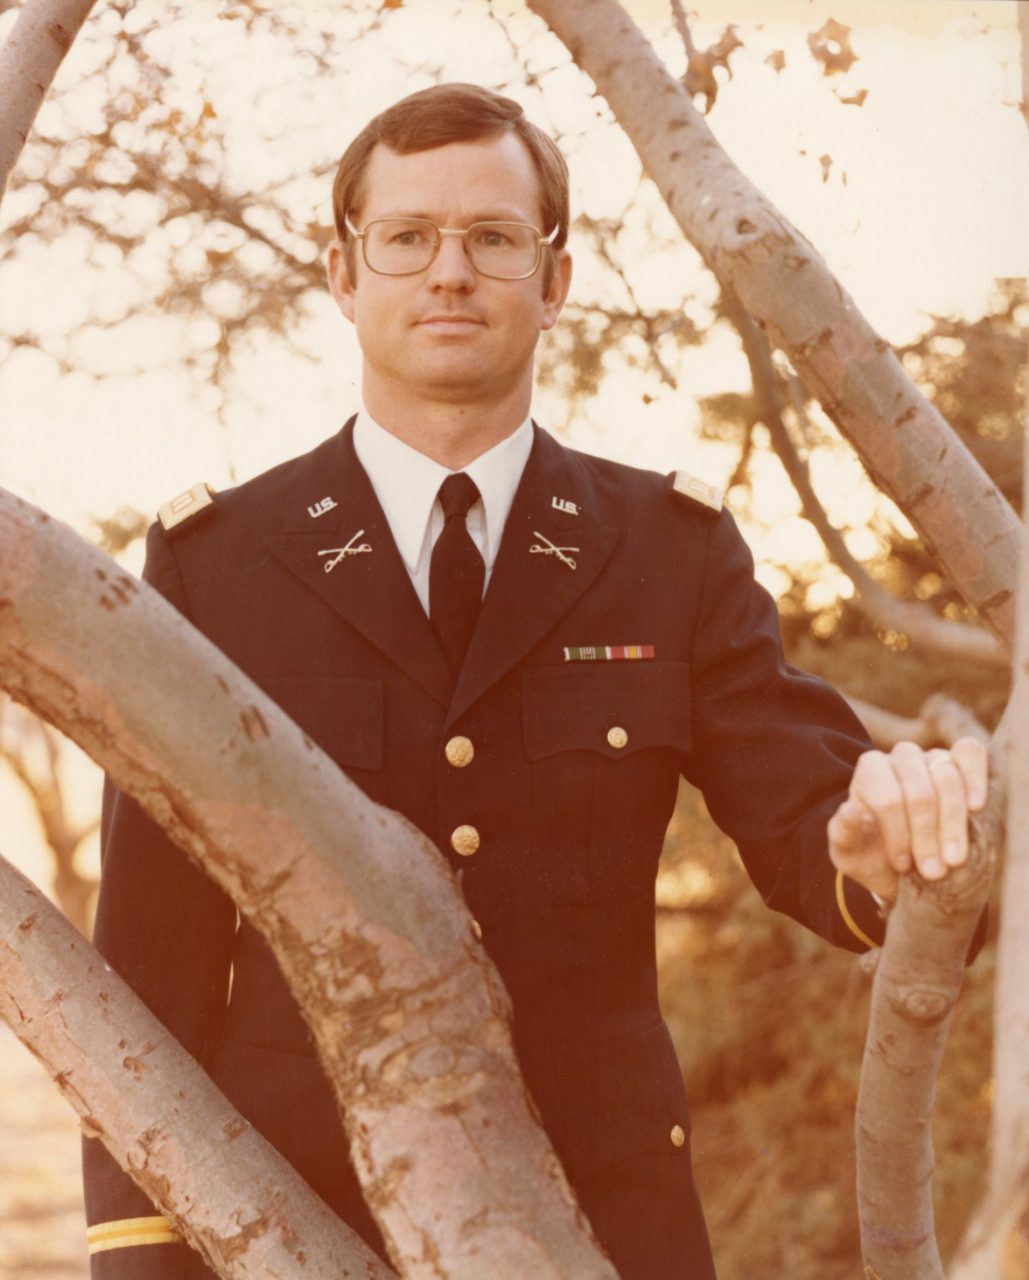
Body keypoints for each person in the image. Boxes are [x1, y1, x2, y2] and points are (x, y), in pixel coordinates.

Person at [82, 83, 987, 1280]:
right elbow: (152, 959)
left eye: (495, 238)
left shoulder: (668, 550)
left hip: (606, 1216)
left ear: (554, 279)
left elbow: (807, 810)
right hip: (305, 1227)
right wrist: (144, 1258)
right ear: (343, 273)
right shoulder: (217, 567)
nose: (450, 272)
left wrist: (878, 849)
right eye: (407, 237)